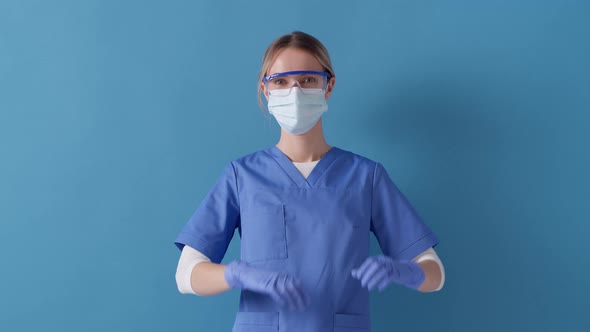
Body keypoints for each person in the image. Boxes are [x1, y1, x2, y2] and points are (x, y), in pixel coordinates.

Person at [174, 31, 445, 332]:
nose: (295, 93)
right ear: (266, 90)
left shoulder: (365, 177)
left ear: (328, 86)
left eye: (307, 80)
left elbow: (435, 273)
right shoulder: (242, 176)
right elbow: (186, 275)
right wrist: (237, 275)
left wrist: (403, 271)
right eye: (281, 81)